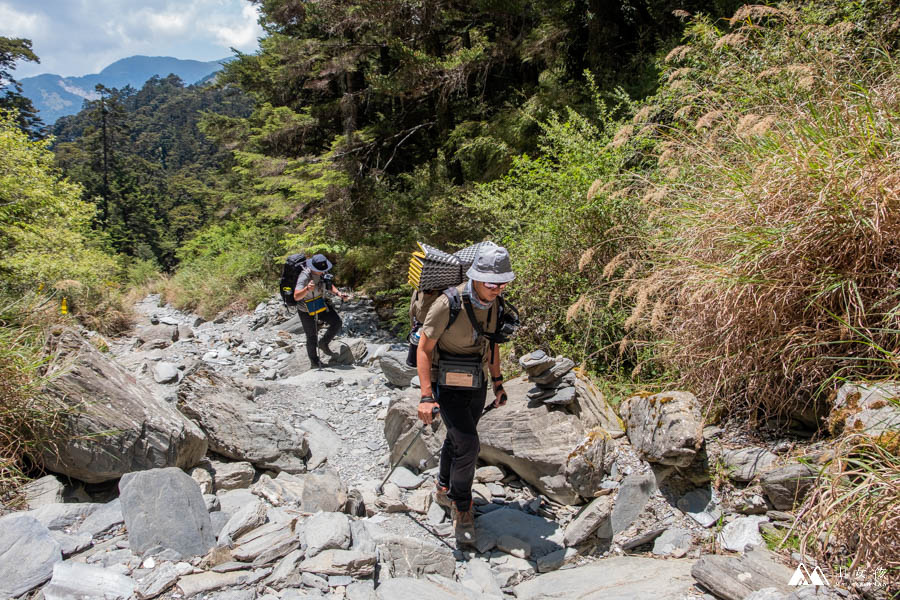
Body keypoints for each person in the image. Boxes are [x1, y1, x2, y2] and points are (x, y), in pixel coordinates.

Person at [415, 242, 514, 547]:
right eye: (491, 282)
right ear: (476, 277)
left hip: (476, 382)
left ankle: (443, 486)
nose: (497, 288)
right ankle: (462, 505)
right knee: (470, 445)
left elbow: (493, 345)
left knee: (456, 439)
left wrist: (497, 383)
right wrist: (426, 396)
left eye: (502, 282)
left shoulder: (496, 305)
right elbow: (423, 348)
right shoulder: (448, 303)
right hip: (446, 383)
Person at [294, 253, 349, 368]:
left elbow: (329, 284)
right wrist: (307, 289)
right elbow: (296, 296)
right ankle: (314, 362)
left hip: (319, 304)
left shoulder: (323, 272)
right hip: (305, 310)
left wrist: (339, 294)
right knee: (311, 336)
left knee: (337, 322)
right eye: (319, 269)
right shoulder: (304, 276)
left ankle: (323, 343)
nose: (322, 271)